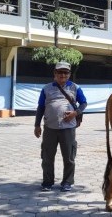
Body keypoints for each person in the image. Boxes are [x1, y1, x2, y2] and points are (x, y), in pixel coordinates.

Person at [34, 61, 87, 192]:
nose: (62, 75)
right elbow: (41, 107)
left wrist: (75, 113)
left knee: (69, 157)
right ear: (54, 73)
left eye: (65, 72)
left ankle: (67, 182)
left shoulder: (75, 87)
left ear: (69, 74)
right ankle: (47, 182)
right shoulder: (46, 88)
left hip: (68, 128)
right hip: (49, 128)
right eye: (59, 72)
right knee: (47, 157)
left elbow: (84, 103)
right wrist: (37, 125)